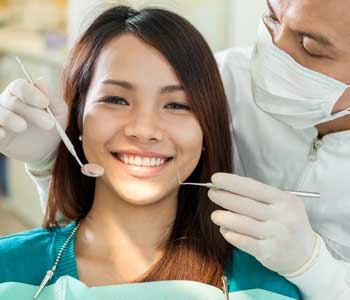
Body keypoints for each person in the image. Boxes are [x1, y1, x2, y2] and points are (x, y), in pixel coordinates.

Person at [0, 0, 349, 299]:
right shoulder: (227, 77)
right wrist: (52, 164)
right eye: (272, 17)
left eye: (310, 46)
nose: (144, 128)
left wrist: (313, 267)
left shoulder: (261, 287)